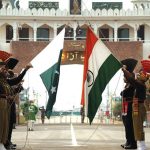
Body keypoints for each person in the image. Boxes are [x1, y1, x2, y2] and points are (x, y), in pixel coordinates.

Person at [122, 62, 149, 150]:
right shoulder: (139, 84)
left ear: (144, 77)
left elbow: (130, 79)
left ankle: (141, 145)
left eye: (141, 74)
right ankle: (140, 145)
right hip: (137, 105)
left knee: (138, 127)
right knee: (137, 126)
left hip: (139, 106)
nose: (139, 74)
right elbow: (130, 79)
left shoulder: (141, 85)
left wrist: (124, 70)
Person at [120, 58, 137, 149]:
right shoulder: (128, 82)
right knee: (126, 124)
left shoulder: (132, 78)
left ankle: (132, 143)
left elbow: (129, 78)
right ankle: (128, 141)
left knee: (130, 124)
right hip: (126, 105)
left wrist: (124, 70)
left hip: (131, 105)